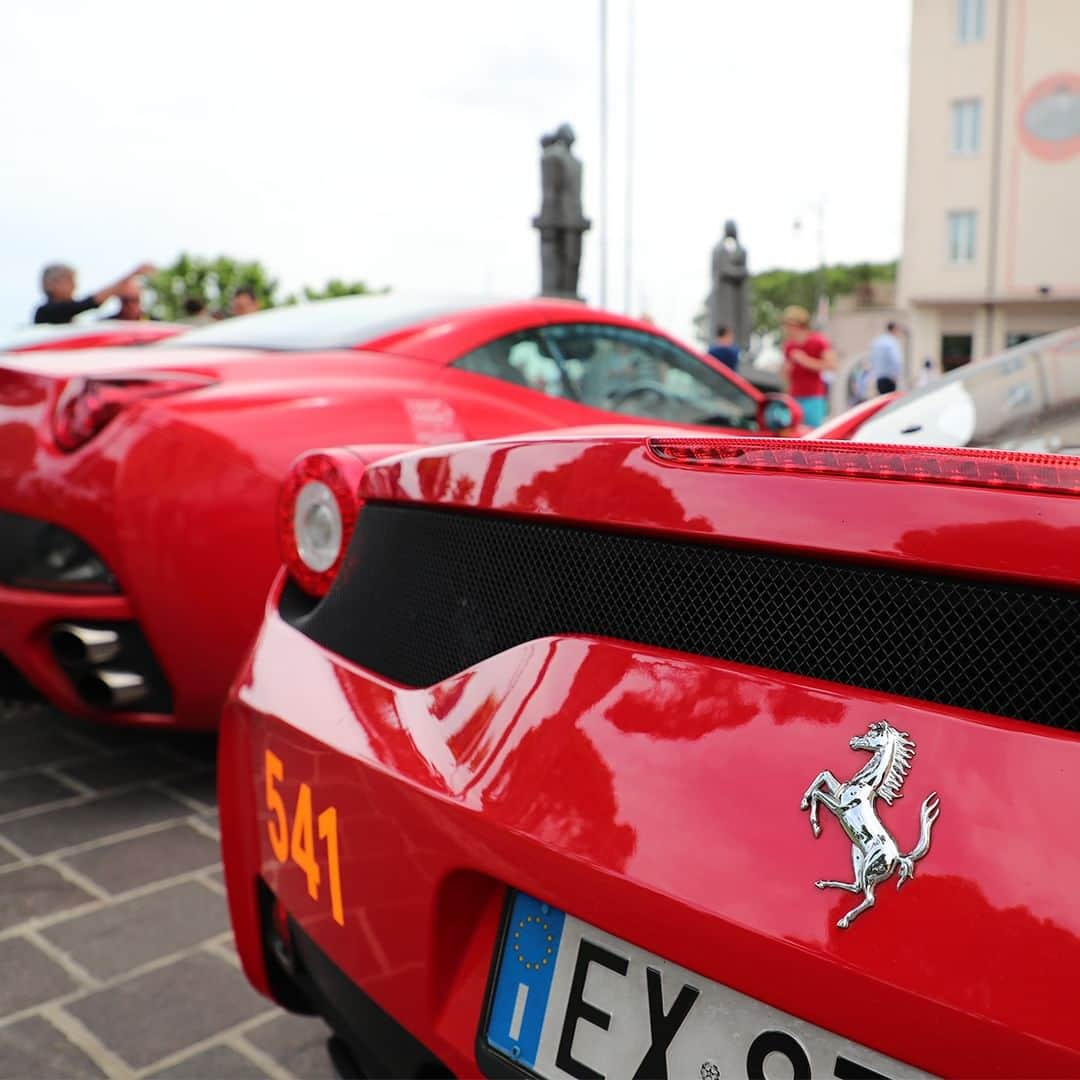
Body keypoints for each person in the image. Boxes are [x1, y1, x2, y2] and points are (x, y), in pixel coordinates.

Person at [34, 261, 154, 325]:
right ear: (53, 284)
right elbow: (90, 302)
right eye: (70, 281)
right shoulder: (47, 312)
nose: (75, 287)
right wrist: (133, 274)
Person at [780, 305, 836, 427]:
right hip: (794, 397)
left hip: (813, 397)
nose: (786, 329)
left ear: (799, 325)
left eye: (789, 325)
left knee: (813, 433)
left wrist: (805, 360)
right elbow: (785, 375)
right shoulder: (788, 345)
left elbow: (832, 365)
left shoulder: (818, 341)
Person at [868, 321, 904, 394]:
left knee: (882, 399)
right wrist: (896, 375)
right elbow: (896, 360)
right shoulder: (892, 342)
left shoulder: (877, 341)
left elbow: (871, 360)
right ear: (894, 329)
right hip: (890, 378)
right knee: (891, 402)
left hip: (879, 378)